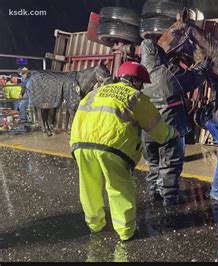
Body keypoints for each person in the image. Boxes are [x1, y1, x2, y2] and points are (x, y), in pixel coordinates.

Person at [70, 61, 179, 241]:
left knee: (88, 186)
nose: (142, 87)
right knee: (118, 188)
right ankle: (126, 231)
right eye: (141, 83)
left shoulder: (95, 92)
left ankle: (95, 225)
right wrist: (173, 133)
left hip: (81, 144)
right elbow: (157, 130)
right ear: (136, 82)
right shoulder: (135, 97)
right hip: (112, 147)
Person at [140, 38, 212, 206]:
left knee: (153, 163)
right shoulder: (168, 71)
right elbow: (192, 79)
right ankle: (169, 199)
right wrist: (203, 66)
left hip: (147, 131)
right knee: (170, 164)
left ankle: (154, 193)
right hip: (170, 127)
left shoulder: (139, 74)